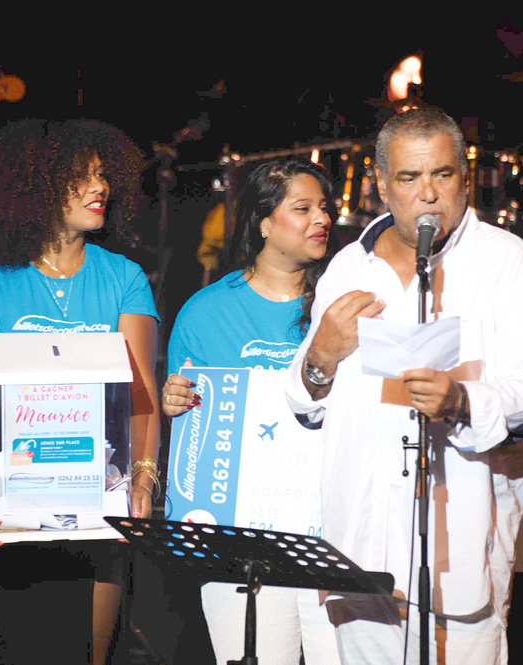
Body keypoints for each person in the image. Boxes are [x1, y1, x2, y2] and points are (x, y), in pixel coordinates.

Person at [284, 107, 523, 664]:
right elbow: (306, 403)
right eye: (410, 179)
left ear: (465, 177)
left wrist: (462, 402)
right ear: (383, 186)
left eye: (442, 175)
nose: (428, 193)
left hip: (461, 546)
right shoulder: (346, 268)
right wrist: (319, 358)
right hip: (362, 549)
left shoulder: (505, 263)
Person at [0, 118, 161, 665]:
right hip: (6, 503)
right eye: (79, 177)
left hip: (97, 506)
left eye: (103, 175)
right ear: (32, 186)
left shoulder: (125, 276)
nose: (99, 187)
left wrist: (145, 480)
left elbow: (141, 393)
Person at [162, 156, 340, 664]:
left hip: (335, 534)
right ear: (263, 222)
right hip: (243, 542)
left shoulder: (345, 303)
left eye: (324, 208)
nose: (321, 219)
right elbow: (193, 436)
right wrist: (177, 403)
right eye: (302, 208)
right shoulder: (205, 312)